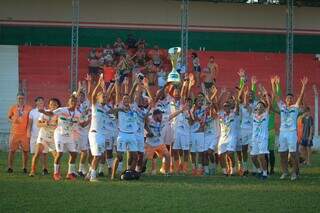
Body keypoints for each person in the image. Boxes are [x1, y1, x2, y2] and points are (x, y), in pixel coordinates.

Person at [39, 95, 87, 181]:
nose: (73, 103)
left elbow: (82, 124)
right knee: (60, 153)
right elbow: (51, 113)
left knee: (74, 154)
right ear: (68, 102)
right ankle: (56, 173)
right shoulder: (62, 110)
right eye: (71, 101)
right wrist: (44, 112)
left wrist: (90, 119)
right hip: (59, 135)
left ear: (77, 103)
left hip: (70, 136)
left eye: (75, 102)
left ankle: (70, 174)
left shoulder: (78, 114)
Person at [272, 75, 308, 181]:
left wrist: (304, 86)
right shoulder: (282, 106)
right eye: (288, 98)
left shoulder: (295, 107)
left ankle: (294, 173)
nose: (289, 99)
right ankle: (285, 172)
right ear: (285, 99)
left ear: (293, 100)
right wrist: (273, 84)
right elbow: (275, 95)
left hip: (292, 133)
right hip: (282, 133)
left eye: (291, 98)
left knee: (293, 154)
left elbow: (301, 96)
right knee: (282, 154)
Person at [87, 75, 113, 182]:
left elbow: (107, 95)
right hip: (95, 133)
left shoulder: (106, 108)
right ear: (98, 98)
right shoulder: (95, 106)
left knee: (99, 155)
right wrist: (99, 83)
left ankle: (89, 174)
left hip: (102, 134)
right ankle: (93, 177)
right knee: (97, 156)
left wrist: (106, 88)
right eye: (103, 97)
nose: (105, 98)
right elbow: (93, 95)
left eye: (106, 97)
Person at [29, 98, 60, 177]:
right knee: (37, 153)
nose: (53, 106)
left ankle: (56, 173)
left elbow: (58, 125)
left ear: (58, 106)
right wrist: (47, 123)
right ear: (49, 105)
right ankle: (32, 171)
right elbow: (38, 124)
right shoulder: (44, 113)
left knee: (57, 156)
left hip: (53, 137)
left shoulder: (59, 114)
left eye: (55, 104)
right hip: (43, 136)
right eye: (51, 104)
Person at [7, 92, 32, 174]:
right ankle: (10, 167)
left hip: (24, 133)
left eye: (22, 98)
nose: (21, 100)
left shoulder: (29, 108)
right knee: (12, 151)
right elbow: (9, 118)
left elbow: (31, 120)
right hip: (14, 133)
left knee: (25, 151)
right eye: (19, 98)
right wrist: (13, 120)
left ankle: (24, 167)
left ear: (24, 99)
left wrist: (29, 131)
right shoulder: (13, 107)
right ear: (17, 99)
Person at [250, 86, 270, 180]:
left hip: (263, 139)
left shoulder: (266, 115)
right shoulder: (253, 115)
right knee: (253, 157)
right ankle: (259, 171)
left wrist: (265, 94)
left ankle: (265, 174)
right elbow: (249, 102)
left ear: (264, 109)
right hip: (254, 139)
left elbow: (269, 105)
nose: (259, 108)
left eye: (261, 107)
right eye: (258, 107)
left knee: (262, 156)